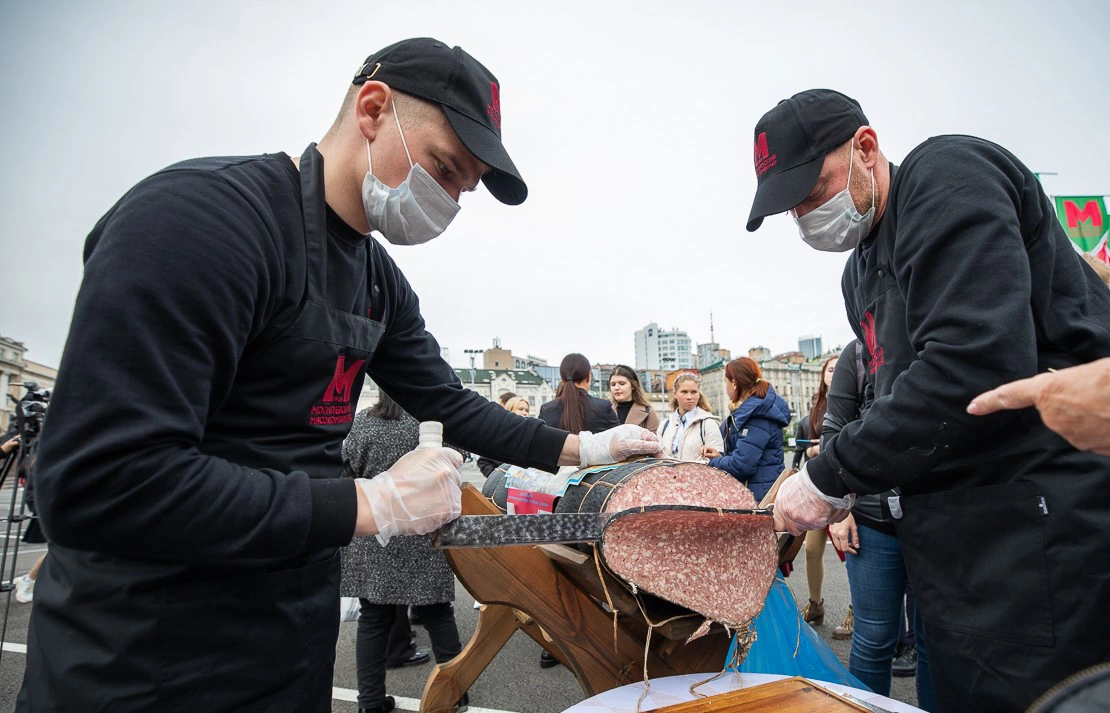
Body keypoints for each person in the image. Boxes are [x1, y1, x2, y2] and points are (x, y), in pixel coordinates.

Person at [18, 38, 661, 713]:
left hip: (288, 641)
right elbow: (103, 481)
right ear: (374, 108)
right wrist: (370, 502)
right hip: (142, 657)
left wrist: (588, 448)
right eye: (443, 168)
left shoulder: (376, 281)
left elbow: (448, 400)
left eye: (461, 191)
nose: (447, 202)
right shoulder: (197, 223)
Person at [746, 88, 1110, 712]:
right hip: (945, 536)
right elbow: (889, 395)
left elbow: (974, 362)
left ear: (866, 147)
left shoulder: (947, 178)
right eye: (792, 209)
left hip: (1039, 518)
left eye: (813, 190)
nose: (806, 214)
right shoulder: (857, 271)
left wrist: (828, 477)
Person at [825, 341, 935, 710]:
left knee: (934, 640)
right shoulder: (858, 352)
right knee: (873, 639)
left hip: (936, 515)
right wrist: (842, 510)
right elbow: (834, 430)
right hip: (871, 517)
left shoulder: (939, 331)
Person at [340, 394, 466, 713]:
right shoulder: (430, 427)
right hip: (426, 534)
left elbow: (346, 474)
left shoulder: (362, 424)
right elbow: (459, 459)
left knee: (374, 620)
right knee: (439, 615)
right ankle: (454, 696)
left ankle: (370, 702)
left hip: (376, 533)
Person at [796, 356, 842, 629]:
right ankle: (816, 604)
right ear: (823, 375)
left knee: (848, 553)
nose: (834, 373)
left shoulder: (851, 398)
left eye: (839, 368)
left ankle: (854, 609)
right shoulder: (817, 407)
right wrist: (812, 450)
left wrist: (819, 449)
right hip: (819, 488)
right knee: (812, 551)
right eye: (830, 369)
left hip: (844, 487)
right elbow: (809, 448)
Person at [700, 359, 787, 500]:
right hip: (760, 492)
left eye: (725, 381)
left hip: (760, 498)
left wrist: (712, 462)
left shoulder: (757, 415)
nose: (725, 386)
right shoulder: (757, 410)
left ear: (734, 384)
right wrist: (720, 458)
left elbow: (742, 465)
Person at [539, 353, 620, 434]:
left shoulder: (546, 410)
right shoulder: (603, 407)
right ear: (589, 376)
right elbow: (620, 441)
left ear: (563, 379)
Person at [657, 372, 723, 463]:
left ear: (699, 394)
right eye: (684, 392)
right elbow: (657, 458)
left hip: (697, 476)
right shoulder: (664, 425)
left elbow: (715, 460)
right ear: (675, 394)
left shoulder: (708, 423)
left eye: (693, 392)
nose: (689, 397)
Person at [476, 391, 517, 478]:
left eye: (526, 410)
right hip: (503, 486)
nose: (524, 412)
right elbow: (483, 461)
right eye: (520, 409)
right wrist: (497, 478)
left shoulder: (529, 435)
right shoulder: (497, 432)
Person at [608, 364, 659, 431]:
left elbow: (655, 439)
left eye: (622, 383)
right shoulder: (604, 410)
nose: (616, 388)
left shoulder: (648, 413)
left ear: (633, 385)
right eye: (613, 384)